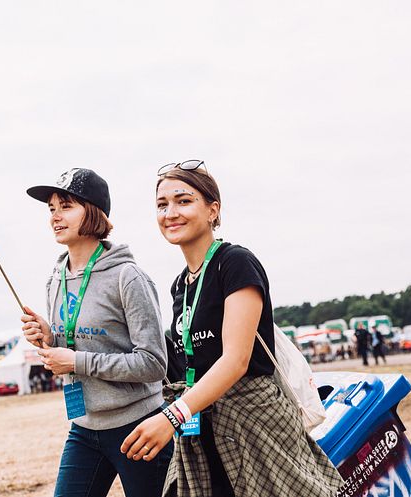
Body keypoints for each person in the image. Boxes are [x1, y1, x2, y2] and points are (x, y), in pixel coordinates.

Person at [120, 161, 342, 496]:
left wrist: (172, 418)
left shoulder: (234, 262)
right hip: (202, 425)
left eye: (183, 200)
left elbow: (236, 360)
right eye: (162, 205)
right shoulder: (181, 284)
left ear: (213, 210)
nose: (171, 212)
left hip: (254, 424)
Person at [21, 167, 172, 497]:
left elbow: (153, 364)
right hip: (84, 427)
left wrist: (76, 361)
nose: (55, 217)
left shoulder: (128, 277)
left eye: (66, 206)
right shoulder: (55, 278)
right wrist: (49, 338)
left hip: (140, 426)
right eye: (51, 208)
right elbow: (75, 343)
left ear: (93, 212)